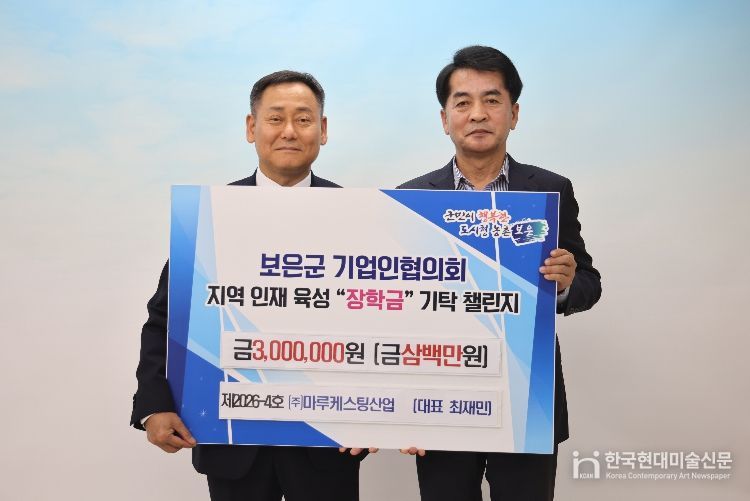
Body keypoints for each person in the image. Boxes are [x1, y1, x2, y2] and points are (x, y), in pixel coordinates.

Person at [130, 70, 368, 501]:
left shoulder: (362, 217)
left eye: (303, 119)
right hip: (231, 442)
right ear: (251, 127)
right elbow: (165, 319)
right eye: (276, 118)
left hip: (328, 441)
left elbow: (380, 321)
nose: (289, 131)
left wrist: (384, 412)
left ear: (323, 129)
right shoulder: (210, 215)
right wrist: (154, 404)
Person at [398, 46, 602, 501]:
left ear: (514, 113)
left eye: (492, 100)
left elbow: (589, 282)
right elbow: (400, 303)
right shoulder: (412, 198)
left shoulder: (549, 190)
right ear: (445, 118)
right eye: (463, 102)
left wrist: (566, 285)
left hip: (527, 399)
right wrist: (403, 406)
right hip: (442, 399)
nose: (478, 114)